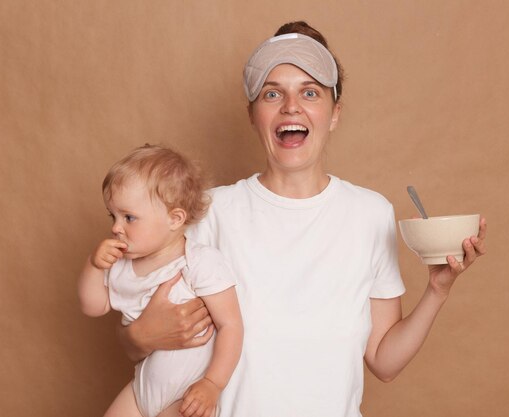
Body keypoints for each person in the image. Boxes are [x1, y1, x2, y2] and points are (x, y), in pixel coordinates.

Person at [118, 22, 487, 417]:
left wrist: (437, 290)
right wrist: (138, 335)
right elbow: (143, 338)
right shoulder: (208, 212)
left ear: (334, 114)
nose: (291, 106)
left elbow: (384, 361)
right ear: (252, 115)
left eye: (310, 92)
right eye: (272, 93)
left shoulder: (371, 214)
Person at [78, 144, 243, 417]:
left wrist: (213, 384)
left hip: (188, 396)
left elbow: (231, 325)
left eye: (129, 217)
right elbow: (92, 306)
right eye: (114, 216)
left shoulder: (199, 262)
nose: (116, 227)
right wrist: (94, 266)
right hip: (142, 391)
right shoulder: (122, 266)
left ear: (174, 219)